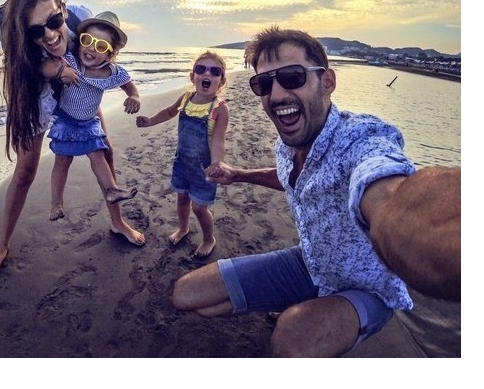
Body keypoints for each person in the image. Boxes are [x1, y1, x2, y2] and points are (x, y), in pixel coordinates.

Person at [172, 26, 461, 357]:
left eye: (292, 77)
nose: (276, 95)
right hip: (312, 262)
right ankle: (305, 299)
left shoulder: (359, 139)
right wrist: (239, 175)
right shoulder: (289, 143)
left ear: (327, 82)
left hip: (366, 288)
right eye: (264, 83)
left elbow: (385, 188)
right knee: (187, 294)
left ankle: (321, 312)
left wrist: (412, 223)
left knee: (294, 335)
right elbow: (294, 177)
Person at [0, 0, 145, 280]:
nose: (50, 34)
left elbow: (106, 63)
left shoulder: (82, 22)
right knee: (25, 171)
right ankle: (2, 245)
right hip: (38, 91)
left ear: (64, 11)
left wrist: (130, 93)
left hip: (78, 91)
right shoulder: (13, 40)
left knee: (105, 150)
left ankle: (117, 222)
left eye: (54, 21)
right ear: (25, 32)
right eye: (36, 31)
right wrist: (56, 70)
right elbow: (25, 70)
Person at [41, 11, 141, 217]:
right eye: (88, 40)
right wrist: (61, 71)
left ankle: (111, 189)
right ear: (80, 40)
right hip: (66, 121)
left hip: (89, 123)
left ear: (110, 53)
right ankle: (56, 204)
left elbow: (129, 87)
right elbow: (44, 66)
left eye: (101, 46)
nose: (92, 48)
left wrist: (135, 97)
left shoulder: (112, 72)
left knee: (98, 155)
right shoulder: (70, 61)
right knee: (62, 161)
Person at [136, 51, 230, 258]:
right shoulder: (186, 98)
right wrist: (150, 121)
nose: (207, 74)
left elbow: (218, 141)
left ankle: (209, 239)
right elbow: (169, 112)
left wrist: (217, 163)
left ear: (221, 81)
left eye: (215, 72)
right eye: (201, 69)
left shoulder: (220, 109)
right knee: (182, 200)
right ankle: (183, 228)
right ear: (192, 76)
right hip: (182, 163)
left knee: (199, 208)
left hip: (203, 169)